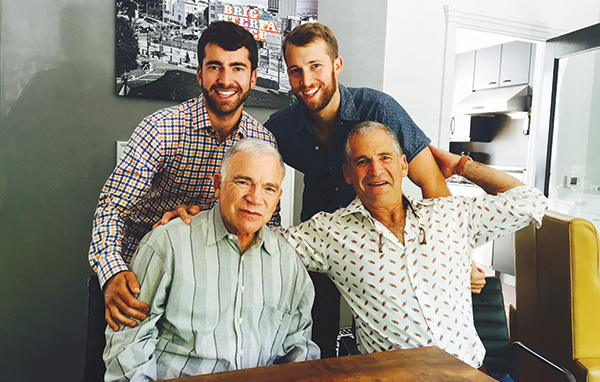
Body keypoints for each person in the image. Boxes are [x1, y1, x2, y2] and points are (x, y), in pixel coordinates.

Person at [264, 22, 484, 356]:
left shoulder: (379, 109)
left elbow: (431, 182)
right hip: (324, 238)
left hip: (384, 241)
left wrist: (457, 259)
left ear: (337, 65)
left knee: (388, 332)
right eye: (296, 70)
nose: (306, 81)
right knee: (314, 331)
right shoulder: (281, 127)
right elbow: (246, 170)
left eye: (315, 67)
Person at [277, 121, 547, 371]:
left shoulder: (451, 213)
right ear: (348, 174)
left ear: (404, 165)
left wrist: (461, 165)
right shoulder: (330, 232)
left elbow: (530, 202)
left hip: (469, 375)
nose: (375, 169)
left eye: (385, 157)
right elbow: (265, 243)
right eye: (362, 161)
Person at [88, 21, 278, 332]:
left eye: (237, 68)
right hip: (141, 274)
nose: (226, 79)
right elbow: (114, 206)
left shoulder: (262, 144)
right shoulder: (160, 129)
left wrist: (210, 215)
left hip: (215, 281)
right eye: (215, 67)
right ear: (200, 73)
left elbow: (268, 224)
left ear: (253, 78)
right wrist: (111, 271)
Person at [103, 139, 319, 381]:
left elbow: (299, 349)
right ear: (218, 185)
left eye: (268, 188)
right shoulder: (168, 243)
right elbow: (129, 347)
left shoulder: (288, 262)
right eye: (243, 182)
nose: (255, 198)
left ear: (278, 197)